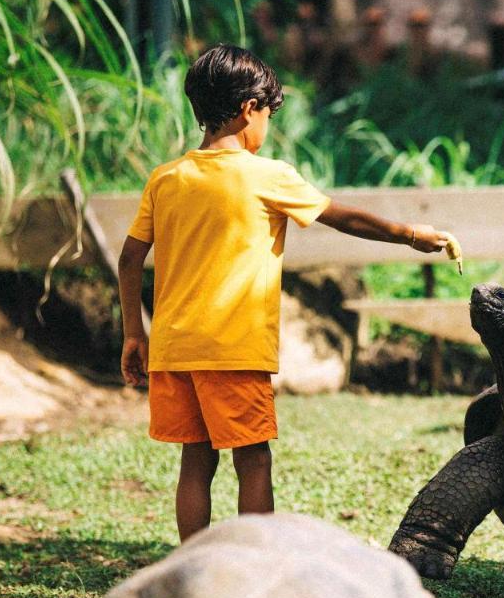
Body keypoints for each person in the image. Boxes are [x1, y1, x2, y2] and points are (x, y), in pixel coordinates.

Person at [117, 43, 454, 541]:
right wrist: (407, 233)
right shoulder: (267, 176)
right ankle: (258, 561)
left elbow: (129, 260)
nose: (266, 127)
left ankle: (192, 566)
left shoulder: (166, 179)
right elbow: (345, 218)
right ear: (249, 109)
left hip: (174, 347)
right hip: (233, 349)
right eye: (268, 115)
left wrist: (133, 334)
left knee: (196, 459)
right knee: (253, 460)